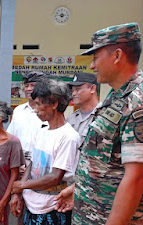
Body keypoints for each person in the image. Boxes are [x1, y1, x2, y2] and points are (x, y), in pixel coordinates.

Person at [70, 23, 143, 224]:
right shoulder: (117, 95)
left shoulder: (137, 101)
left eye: (95, 58)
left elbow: (136, 178)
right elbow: (105, 160)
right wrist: (77, 189)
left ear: (117, 56)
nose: (92, 66)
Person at [10, 79, 80, 225]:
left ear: (54, 104)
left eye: (39, 104)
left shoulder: (68, 137)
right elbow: (33, 164)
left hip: (52, 208)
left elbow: (55, 177)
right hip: (32, 205)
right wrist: (18, 193)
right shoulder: (42, 131)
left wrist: (21, 185)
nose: (35, 109)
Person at [53, 72, 102, 213]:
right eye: (72, 90)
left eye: (78, 89)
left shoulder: (104, 117)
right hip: (69, 186)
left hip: (94, 188)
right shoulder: (71, 119)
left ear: (92, 89)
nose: (73, 93)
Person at [7, 71, 48, 162]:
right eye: (26, 86)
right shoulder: (18, 110)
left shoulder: (49, 111)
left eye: (33, 85)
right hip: (18, 161)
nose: (28, 89)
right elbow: (11, 137)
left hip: (40, 162)